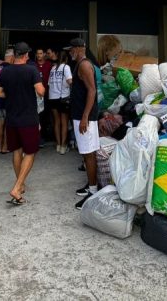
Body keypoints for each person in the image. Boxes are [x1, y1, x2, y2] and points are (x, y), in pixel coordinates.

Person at [0, 42, 45, 205]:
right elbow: (40, 91)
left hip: (12, 118)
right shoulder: (31, 70)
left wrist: (12, 95)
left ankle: (20, 185)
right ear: (26, 55)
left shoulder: (5, 70)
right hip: (28, 118)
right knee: (30, 153)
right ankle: (16, 187)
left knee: (16, 151)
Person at [65, 38, 99, 209]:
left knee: (89, 153)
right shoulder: (79, 64)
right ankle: (90, 185)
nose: (69, 52)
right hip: (80, 115)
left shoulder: (85, 65)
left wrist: (85, 117)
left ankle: (93, 191)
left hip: (85, 117)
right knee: (86, 154)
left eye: (71, 49)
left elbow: (92, 90)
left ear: (78, 49)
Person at [48, 50, 72, 154]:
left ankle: (58, 144)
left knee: (56, 122)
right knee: (64, 123)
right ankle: (63, 146)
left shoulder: (53, 68)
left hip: (52, 98)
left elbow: (49, 83)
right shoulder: (66, 67)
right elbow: (70, 81)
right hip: (63, 98)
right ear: (66, 59)